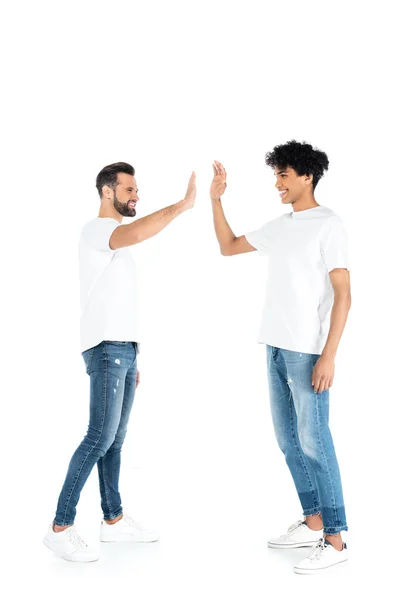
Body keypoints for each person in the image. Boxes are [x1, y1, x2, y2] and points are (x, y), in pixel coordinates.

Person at [209, 141, 351, 574]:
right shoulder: (282, 225)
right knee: (289, 441)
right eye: (276, 176)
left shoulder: (329, 224)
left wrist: (328, 355)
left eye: (283, 175)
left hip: (307, 351)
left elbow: (344, 294)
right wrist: (217, 200)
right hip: (273, 345)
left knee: (315, 442)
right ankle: (313, 521)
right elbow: (229, 246)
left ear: (306, 176)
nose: (277, 184)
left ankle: (336, 539)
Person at [43, 162, 196, 562]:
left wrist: (132, 356)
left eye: (136, 190)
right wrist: (181, 206)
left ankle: (112, 521)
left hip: (123, 350)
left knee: (114, 440)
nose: (136, 196)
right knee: (98, 437)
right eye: (129, 189)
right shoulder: (98, 231)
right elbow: (138, 230)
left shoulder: (115, 243)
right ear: (108, 191)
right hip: (107, 349)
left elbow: (118, 300)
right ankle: (60, 527)